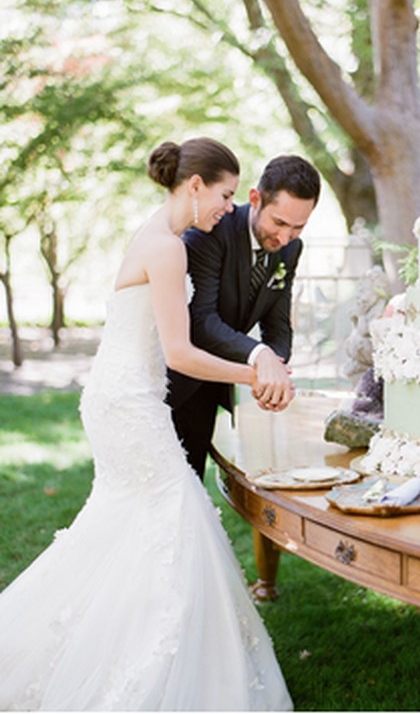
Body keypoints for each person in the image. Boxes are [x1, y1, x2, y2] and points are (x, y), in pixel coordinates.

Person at [0, 138, 293, 711]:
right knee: (174, 518)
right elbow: (181, 354)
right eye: (226, 194)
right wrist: (256, 371)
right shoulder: (168, 248)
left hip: (122, 396)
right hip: (130, 404)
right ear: (195, 185)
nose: (229, 207)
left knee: (128, 528)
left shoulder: (158, 236)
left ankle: (105, 647)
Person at [168, 154, 320, 481]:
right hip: (174, 385)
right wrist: (259, 355)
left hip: (215, 384)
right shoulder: (208, 232)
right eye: (279, 223)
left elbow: (278, 323)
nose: (285, 238)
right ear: (255, 199)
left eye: (298, 227)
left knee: (191, 484)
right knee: (170, 487)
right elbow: (201, 320)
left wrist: (274, 371)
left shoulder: (291, 249)